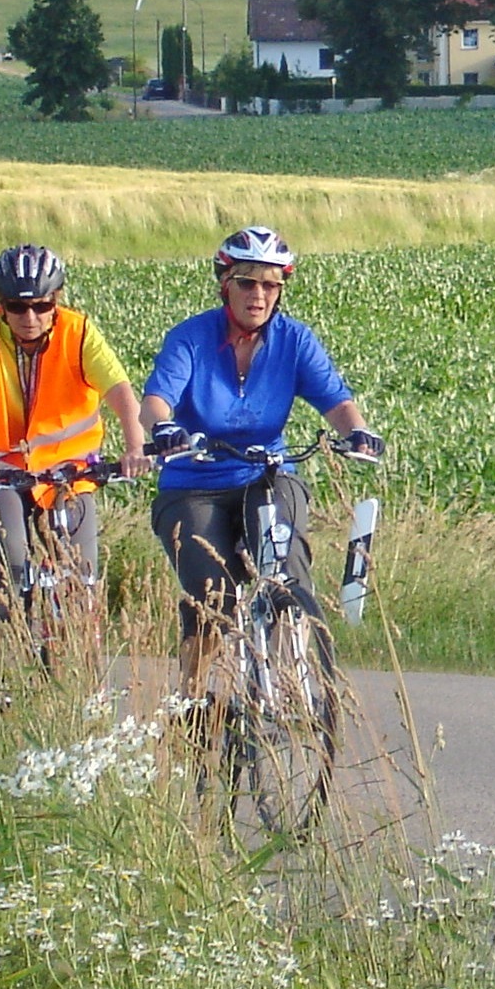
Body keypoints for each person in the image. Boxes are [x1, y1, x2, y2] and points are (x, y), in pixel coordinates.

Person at [142, 227, 383, 699]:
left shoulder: (294, 340)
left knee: (286, 564)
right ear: (224, 284)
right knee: (214, 589)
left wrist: (356, 431)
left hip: (267, 473)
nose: (258, 294)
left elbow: (335, 400)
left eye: (270, 285)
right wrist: (164, 430)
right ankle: (191, 697)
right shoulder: (191, 338)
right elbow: (154, 402)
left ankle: (291, 672)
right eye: (247, 282)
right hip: (195, 480)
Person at [0, 243, 148, 614]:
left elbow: (120, 392)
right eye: (17, 307)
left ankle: (78, 652)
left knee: (80, 568)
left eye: (42, 306)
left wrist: (135, 446)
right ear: (1, 304)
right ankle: (1, 647)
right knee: (12, 552)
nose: (30, 316)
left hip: (65, 471)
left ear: (56, 300)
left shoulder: (78, 334)